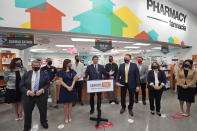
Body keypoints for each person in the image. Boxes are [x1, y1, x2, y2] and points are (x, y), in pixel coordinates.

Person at [20, 60, 50, 131]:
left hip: (41, 96)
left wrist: (42, 90)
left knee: (43, 110)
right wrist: (28, 91)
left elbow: (47, 84)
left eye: (37, 65)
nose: (36, 67)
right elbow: (21, 85)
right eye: (34, 65)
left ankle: (43, 122)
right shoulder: (27, 74)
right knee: (27, 112)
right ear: (32, 66)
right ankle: (27, 126)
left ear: (40, 66)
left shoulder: (45, 74)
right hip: (29, 96)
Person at [57, 59, 78, 123]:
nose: (71, 63)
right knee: (65, 103)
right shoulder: (61, 72)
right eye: (70, 62)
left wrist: (71, 86)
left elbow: (74, 79)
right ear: (66, 63)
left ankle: (69, 115)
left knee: (70, 103)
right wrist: (67, 87)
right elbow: (61, 81)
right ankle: (66, 116)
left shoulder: (73, 71)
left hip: (71, 88)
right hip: (64, 89)